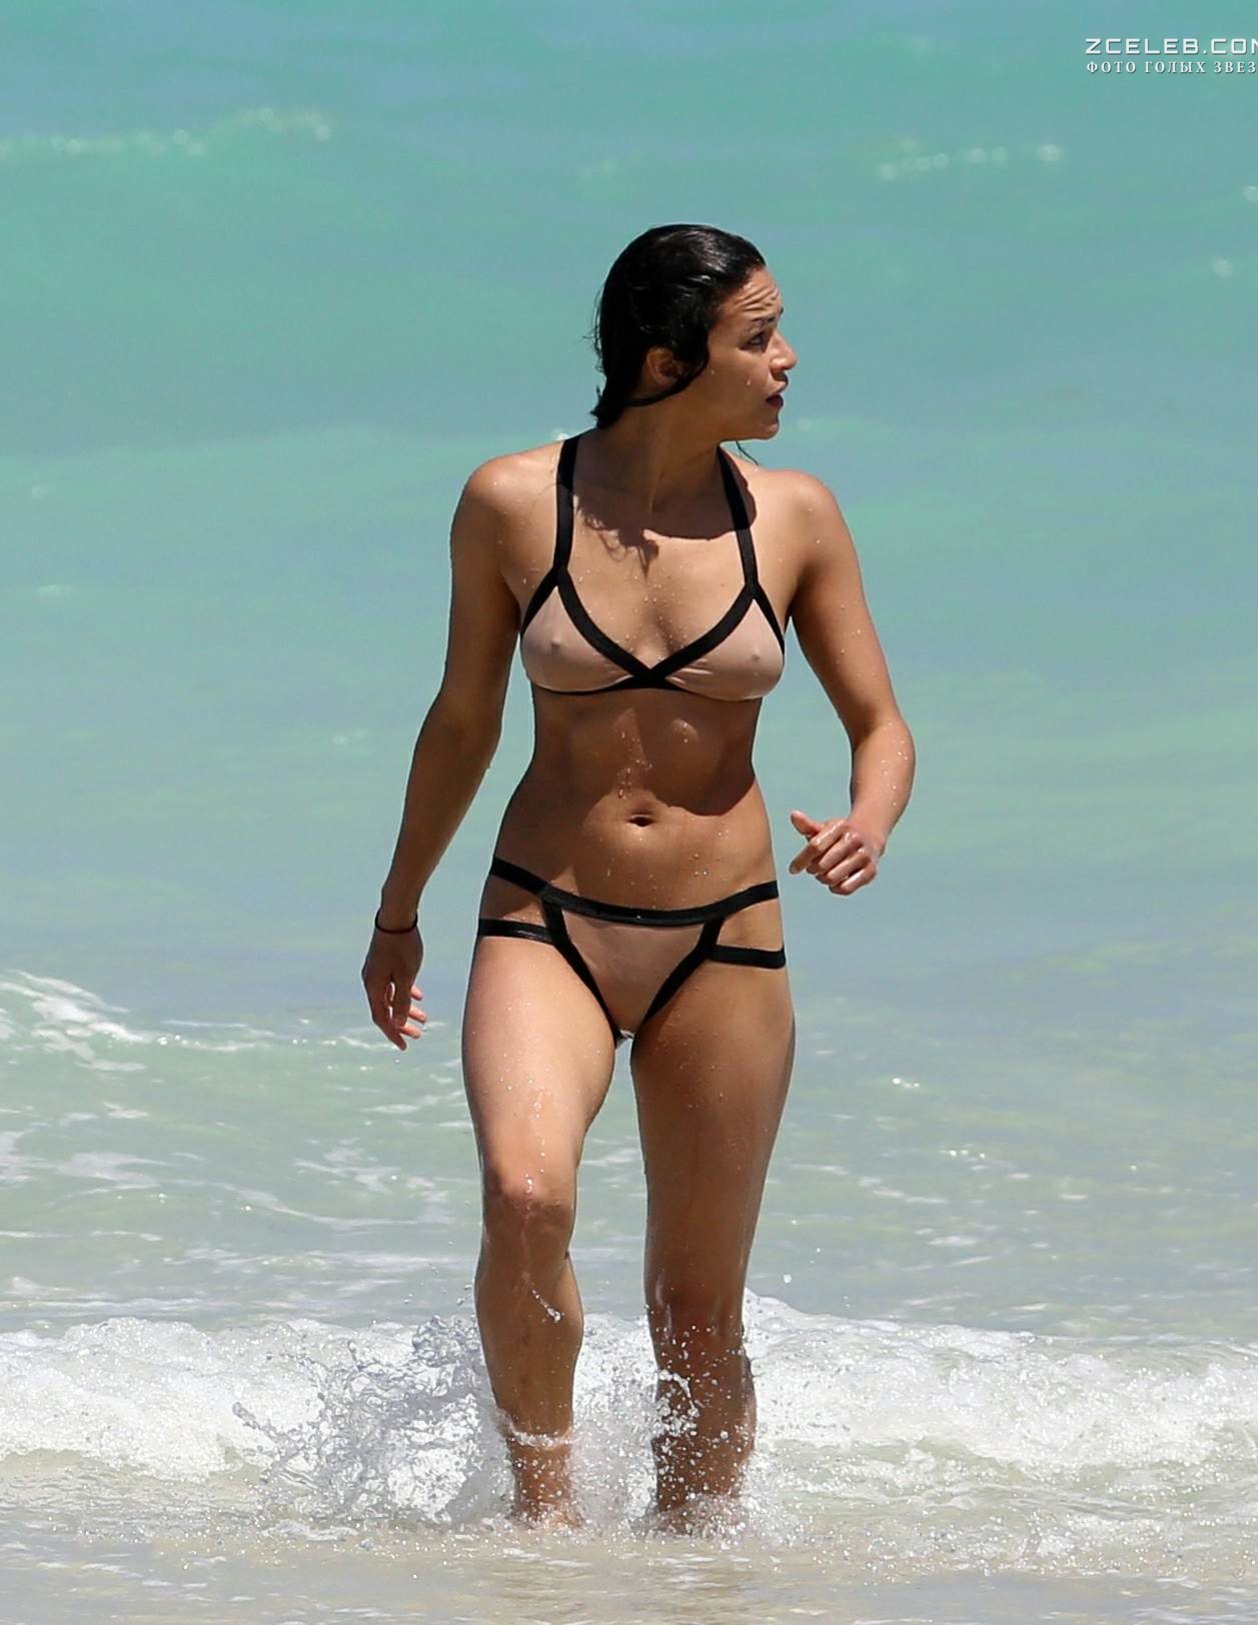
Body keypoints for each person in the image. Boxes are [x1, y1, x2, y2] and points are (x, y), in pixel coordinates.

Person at [361, 223, 915, 1532]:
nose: (788, 359)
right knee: (526, 1198)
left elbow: (882, 726)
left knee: (697, 1307)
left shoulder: (795, 516)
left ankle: (695, 1574)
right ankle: (544, 1532)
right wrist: (399, 911)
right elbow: (461, 722)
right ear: (669, 361)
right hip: (544, 915)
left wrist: (870, 820)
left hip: (727, 938)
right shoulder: (513, 502)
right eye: (758, 337)